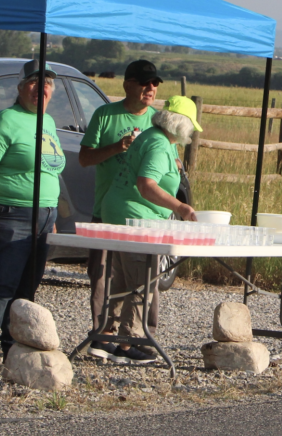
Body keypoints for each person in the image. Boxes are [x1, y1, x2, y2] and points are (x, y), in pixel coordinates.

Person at [0, 60, 66, 372]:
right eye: (34, 82)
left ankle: (13, 346)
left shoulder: (48, 122)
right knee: (0, 284)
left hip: (43, 215)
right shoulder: (5, 120)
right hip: (8, 213)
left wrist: (50, 215)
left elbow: (48, 169)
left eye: (47, 83)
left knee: (27, 288)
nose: (40, 88)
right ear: (20, 87)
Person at [99, 95, 200, 364]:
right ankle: (129, 342)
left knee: (122, 279)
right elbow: (146, 184)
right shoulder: (159, 144)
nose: (191, 132)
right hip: (136, 218)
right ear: (180, 124)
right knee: (142, 280)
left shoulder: (152, 137)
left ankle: (105, 337)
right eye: (191, 126)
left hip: (119, 212)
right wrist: (181, 207)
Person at [78, 60, 161, 359]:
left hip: (143, 217)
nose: (150, 88)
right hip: (106, 211)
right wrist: (117, 147)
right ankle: (103, 336)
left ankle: (137, 340)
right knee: (103, 277)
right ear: (127, 84)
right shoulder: (105, 115)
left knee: (142, 278)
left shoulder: (157, 121)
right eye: (144, 82)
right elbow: (84, 159)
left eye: (154, 83)